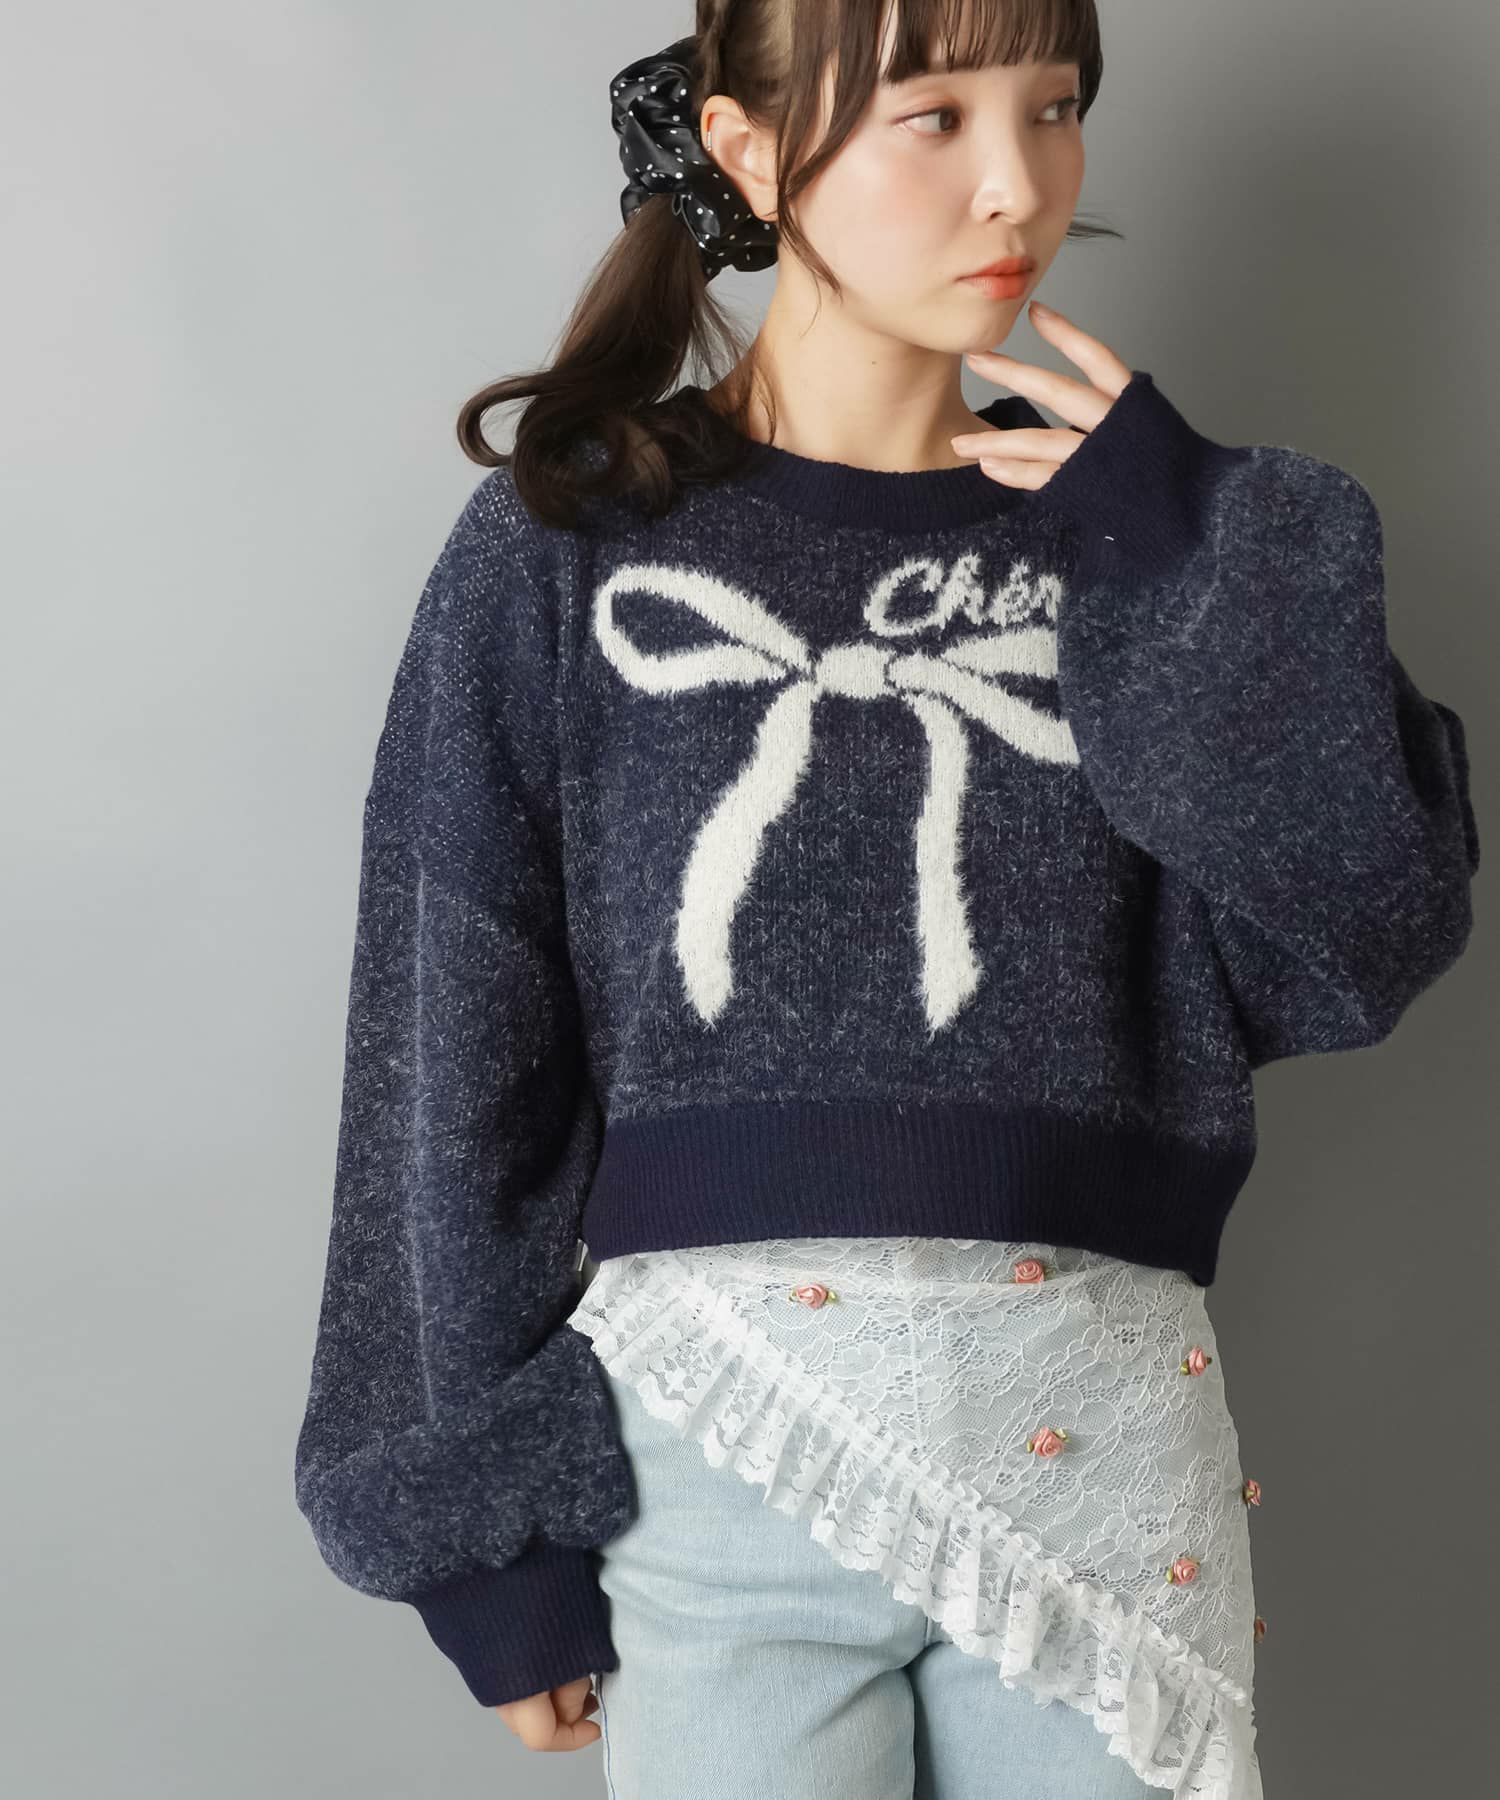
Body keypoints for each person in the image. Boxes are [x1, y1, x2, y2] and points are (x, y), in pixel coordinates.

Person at [292, 3, 1481, 1797]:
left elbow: (1370, 920)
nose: (1020, 183)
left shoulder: (1136, 544)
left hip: (1101, 1456)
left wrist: (1188, 546)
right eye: (934, 116)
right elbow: (447, 1048)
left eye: (1056, 106)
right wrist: (482, 1534)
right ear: (752, 151)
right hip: (714, 1458)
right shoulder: (574, 546)